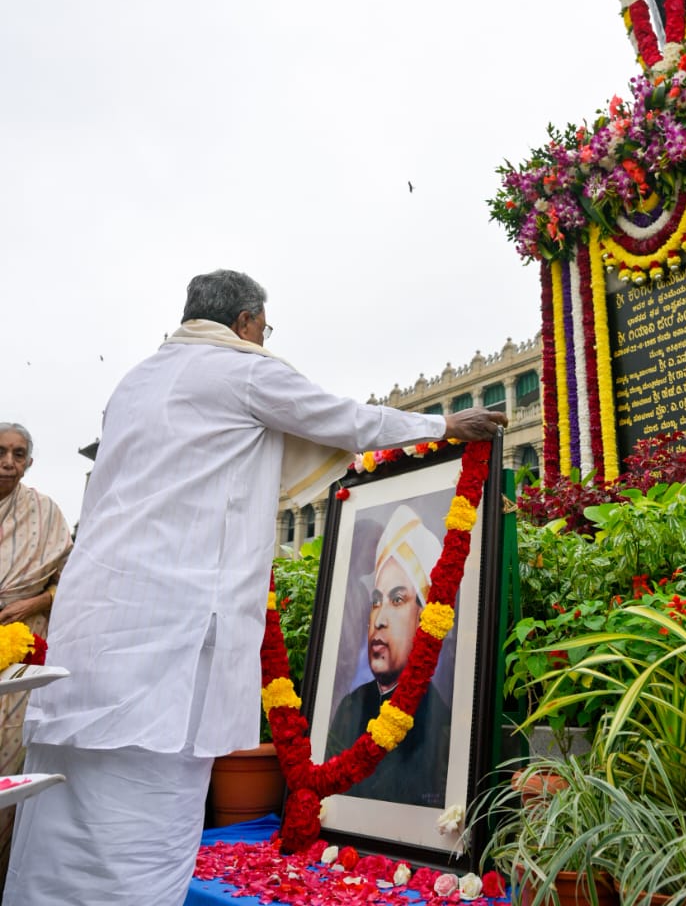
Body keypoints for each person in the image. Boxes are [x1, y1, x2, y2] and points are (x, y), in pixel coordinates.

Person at [3, 271, 507, 906]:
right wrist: (443, 426)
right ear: (245, 322)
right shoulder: (238, 368)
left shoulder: (133, 383)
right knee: (143, 837)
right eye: (265, 330)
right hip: (166, 647)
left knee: (63, 827)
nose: (265, 341)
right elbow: (342, 417)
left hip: (92, 632)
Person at [326, 503, 451, 806]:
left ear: (424, 618)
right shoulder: (349, 707)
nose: (379, 618)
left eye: (397, 600)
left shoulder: (441, 723)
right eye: (376, 600)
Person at [0, 424, 71, 888]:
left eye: (19, 454)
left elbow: (73, 578)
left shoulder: (44, 512)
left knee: (9, 761)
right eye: (1, 451)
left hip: (21, 646)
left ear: (29, 462)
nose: (9, 461)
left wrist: (34, 604)